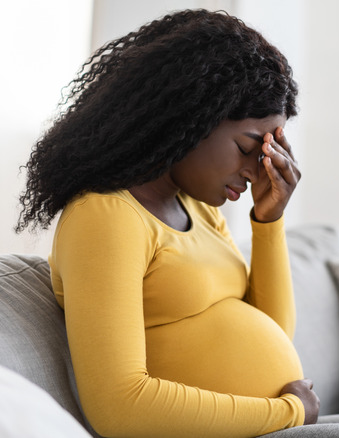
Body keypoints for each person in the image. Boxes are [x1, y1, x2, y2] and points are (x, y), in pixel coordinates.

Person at [16, 9, 319, 437]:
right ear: (189, 118)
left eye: (270, 151)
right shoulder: (106, 217)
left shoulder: (200, 209)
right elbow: (120, 408)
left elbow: (275, 334)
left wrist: (268, 222)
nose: (259, 171)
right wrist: (287, 413)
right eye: (249, 146)